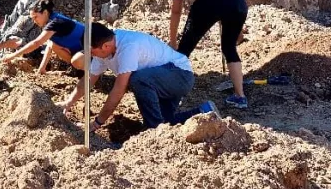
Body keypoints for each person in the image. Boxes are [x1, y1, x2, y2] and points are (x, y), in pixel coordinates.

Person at [59, 23, 217, 132]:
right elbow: (88, 80)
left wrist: (98, 122)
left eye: (93, 52)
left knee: (136, 79)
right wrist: (68, 103)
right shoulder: (104, 51)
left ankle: (152, 130)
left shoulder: (128, 46)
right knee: (167, 123)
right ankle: (205, 112)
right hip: (159, 80)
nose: (92, 56)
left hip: (179, 76)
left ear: (105, 46)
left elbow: (118, 90)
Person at [168, 0, 250, 110]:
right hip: (238, 1)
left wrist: (172, 41)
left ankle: (170, 96)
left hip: (207, 4)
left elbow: (176, 10)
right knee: (229, 47)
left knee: (184, 50)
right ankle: (240, 97)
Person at [2, 0, 86, 74]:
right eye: (32, 18)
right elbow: (50, 45)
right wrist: (42, 68)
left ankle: (90, 73)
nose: (34, 21)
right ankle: (80, 69)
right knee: (54, 45)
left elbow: (36, 43)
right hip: (80, 48)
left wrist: (13, 55)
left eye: (36, 17)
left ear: (45, 12)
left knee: (76, 60)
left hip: (92, 47)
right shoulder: (51, 20)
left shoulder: (55, 22)